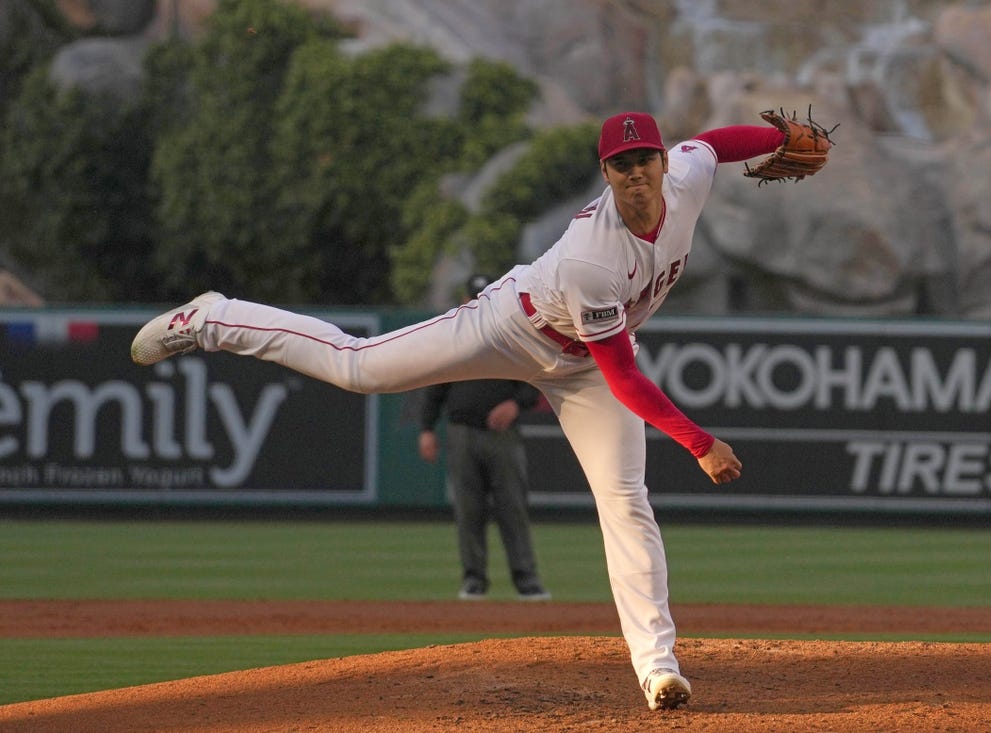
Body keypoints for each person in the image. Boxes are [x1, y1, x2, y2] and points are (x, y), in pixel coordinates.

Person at [131, 110, 800, 711]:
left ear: (660, 161)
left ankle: (658, 670)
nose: (635, 174)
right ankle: (214, 318)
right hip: (516, 326)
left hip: (585, 368)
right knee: (360, 366)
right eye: (620, 165)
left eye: (644, 160)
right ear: (606, 172)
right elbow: (624, 375)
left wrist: (779, 138)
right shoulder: (592, 256)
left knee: (625, 500)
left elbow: (713, 142)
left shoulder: (686, 180)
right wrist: (697, 439)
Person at [418, 273, 550, 602]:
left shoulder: (515, 338)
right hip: (461, 431)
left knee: (512, 507)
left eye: (483, 298)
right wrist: (425, 429)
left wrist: (515, 404)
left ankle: (527, 579)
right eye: (473, 298)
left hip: (502, 435)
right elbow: (435, 389)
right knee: (468, 509)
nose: (477, 304)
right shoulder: (454, 340)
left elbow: (537, 381)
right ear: (465, 301)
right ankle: (473, 580)